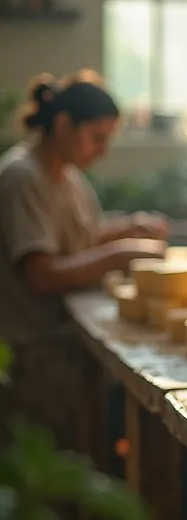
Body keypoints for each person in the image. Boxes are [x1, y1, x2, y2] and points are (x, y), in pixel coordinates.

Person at [0, 69, 167, 446]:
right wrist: (119, 254)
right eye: (97, 138)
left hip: (67, 344)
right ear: (62, 125)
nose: (103, 151)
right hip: (33, 354)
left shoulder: (69, 175)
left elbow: (81, 238)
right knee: (47, 469)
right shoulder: (22, 177)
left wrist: (129, 228)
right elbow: (42, 273)